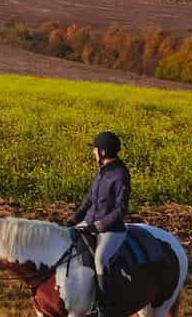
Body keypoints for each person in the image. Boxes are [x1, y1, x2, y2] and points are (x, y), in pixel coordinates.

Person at [66, 131, 131, 316]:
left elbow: (120, 210)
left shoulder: (120, 175)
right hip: (89, 223)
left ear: (102, 152)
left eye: (94, 149)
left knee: (100, 260)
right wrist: (73, 220)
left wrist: (99, 226)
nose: (92, 152)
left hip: (111, 230)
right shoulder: (102, 171)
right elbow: (89, 201)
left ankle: (103, 306)